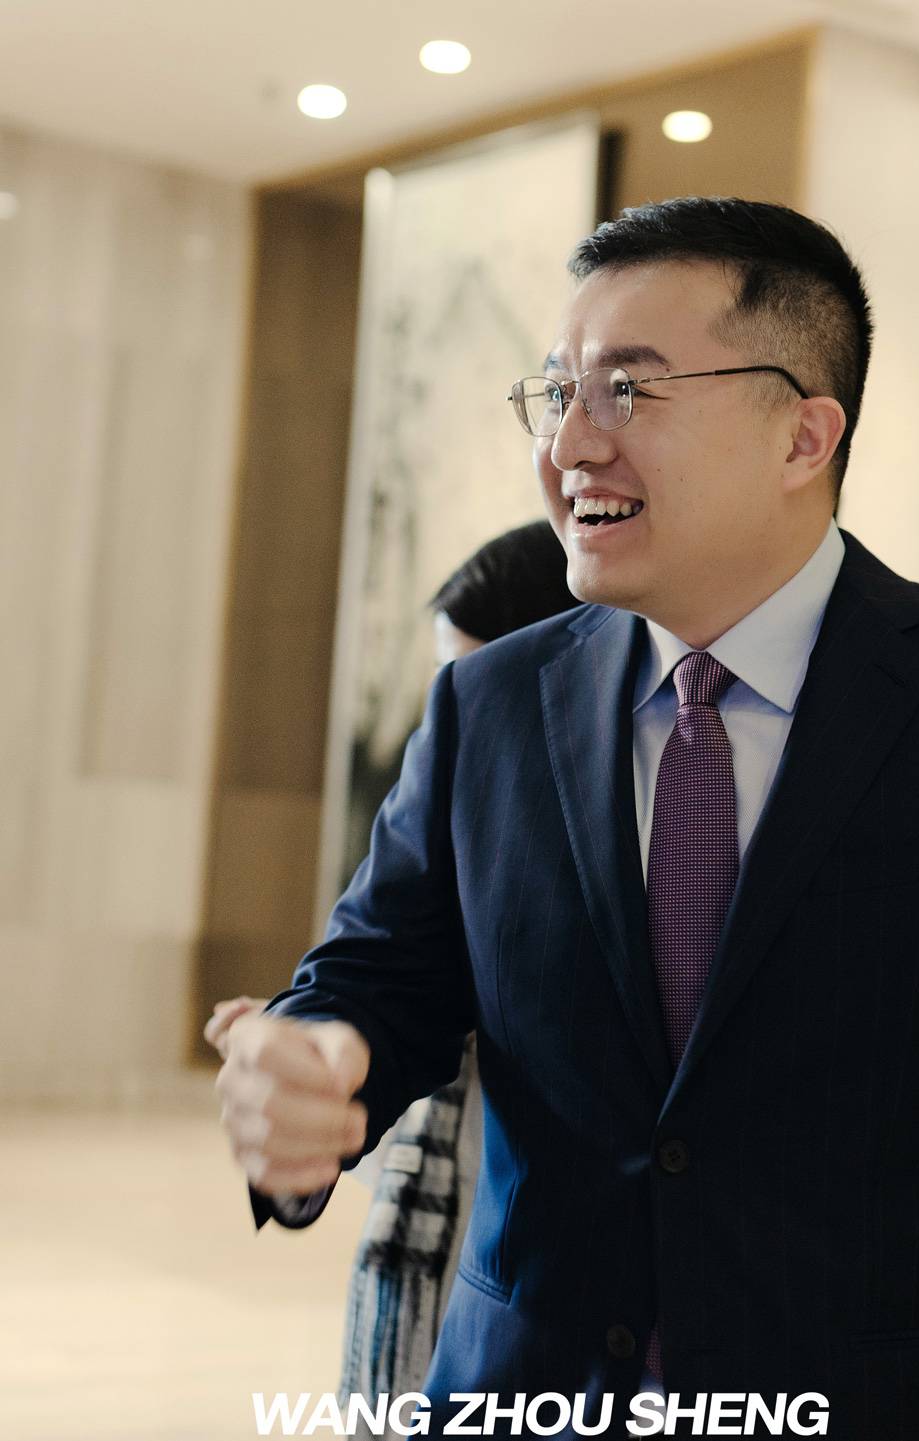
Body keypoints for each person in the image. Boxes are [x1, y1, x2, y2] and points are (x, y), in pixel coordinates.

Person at [215, 197, 919, 1440]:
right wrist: (312, 1054)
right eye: (555, 391)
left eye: (627, 390)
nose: (569, 443)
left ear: (803, 435)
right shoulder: (488, 705)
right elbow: (375, 976)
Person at [205, 521, 580, 1418]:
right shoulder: (435, 829)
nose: (450, 727)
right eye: (444, 686)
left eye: (480, 686)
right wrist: (312, 1060)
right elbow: (371, 994)